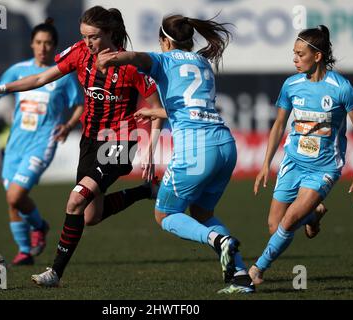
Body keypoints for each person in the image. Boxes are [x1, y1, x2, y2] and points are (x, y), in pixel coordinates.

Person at [0, 6, 164, 286]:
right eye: (84, 36)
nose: (88, 43)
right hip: (90, 140)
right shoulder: (79, 53)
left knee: (76, 199)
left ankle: (54, 272)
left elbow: (156, 109)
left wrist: (149, 149)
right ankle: (146, 191)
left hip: (121, 141)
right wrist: (1, 89)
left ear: (110, 34)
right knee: (91, 215)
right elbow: (41, 78)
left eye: (94, 37)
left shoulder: (130, 65)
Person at [96, 14, 256, 294]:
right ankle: (241, 276)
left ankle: (219, 241)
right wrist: (156, 111)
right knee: (203, 212)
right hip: (225, 146)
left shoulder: (163, 60)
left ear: (164, 41)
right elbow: (192, 106)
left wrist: (112, 58)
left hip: (196, 150)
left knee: (166, 214)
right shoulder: (203, 63)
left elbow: (135, 58)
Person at [250, 25, 353, 285]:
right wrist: (265, 164)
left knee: (290, 220)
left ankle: (256, 270)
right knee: (276, 226)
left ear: (317, 56)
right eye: (293, 53)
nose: (294, 59)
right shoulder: (291, 85)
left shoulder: (341, 88)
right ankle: (314, 215)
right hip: (293, 162)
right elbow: (279, 125)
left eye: (300, 54)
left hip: (323, 168)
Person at [0, 18, 85, 266]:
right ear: (32, 44)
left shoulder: (63, 74)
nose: (43, 47)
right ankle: (24, 251)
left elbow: (79, 104)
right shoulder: (18, 70)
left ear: (54, 46)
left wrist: (68, 125)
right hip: (15, 144)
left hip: (42, 143)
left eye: (48, 43)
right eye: (38, 42)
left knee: (15, 195)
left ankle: (40, 226)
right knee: (13, 201)